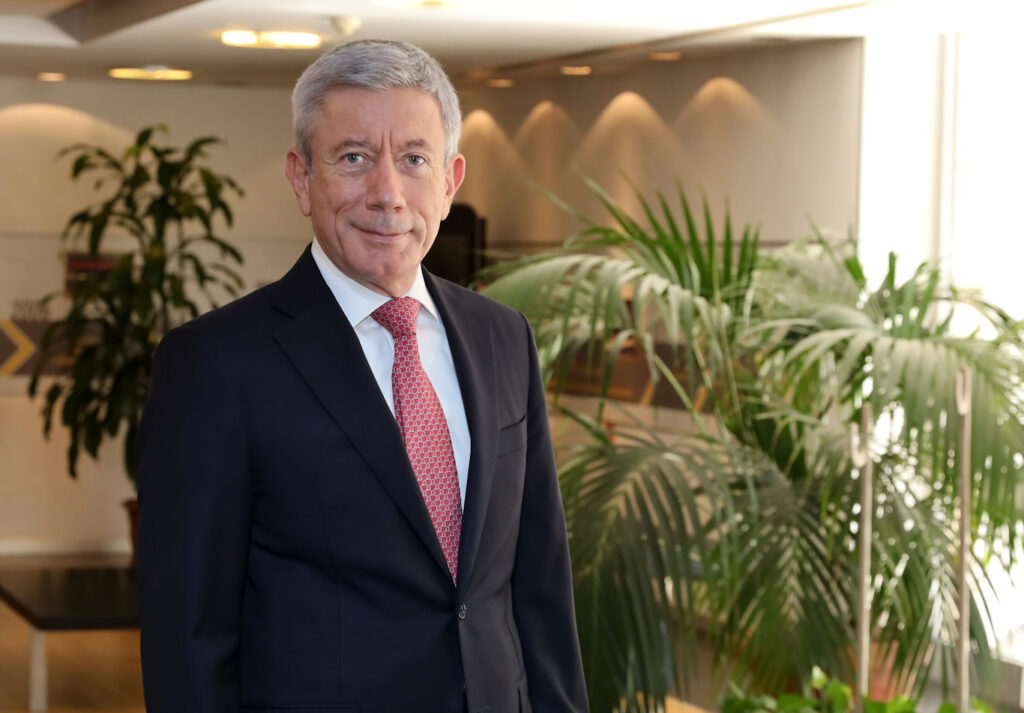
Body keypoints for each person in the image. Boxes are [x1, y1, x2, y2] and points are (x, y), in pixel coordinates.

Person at [136, 39, 588, 713]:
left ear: (450, 181)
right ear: (301, 177)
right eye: (353, 157)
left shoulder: (503, 338)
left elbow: (540, 586)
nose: (387, 194)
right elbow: (188, 637)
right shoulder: (216, 363)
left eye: (414, 159)